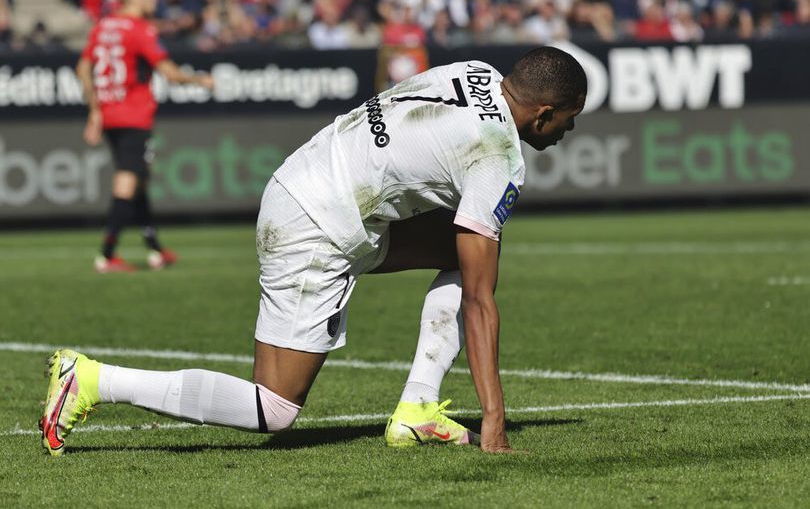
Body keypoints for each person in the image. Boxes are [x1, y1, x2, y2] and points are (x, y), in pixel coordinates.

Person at [41, 47, 587, 455]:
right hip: (318, 225)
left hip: (308, 184)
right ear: (542, 115)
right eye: (568, 119)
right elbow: (478, 301)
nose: (567, 132)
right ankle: (91, 380)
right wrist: (494, 417)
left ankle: (418, 406)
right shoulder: (498, 155)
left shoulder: (474, 72)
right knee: (273, 408)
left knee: (459, 247)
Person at [76, 0, 213, 273]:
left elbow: (83, 67)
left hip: (110, 114)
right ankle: (107, 254)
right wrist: (199, 79)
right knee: (128, 178)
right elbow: (170, 73)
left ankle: (154, 249)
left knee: (138, 178)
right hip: (133, 116)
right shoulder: (140, 29)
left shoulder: (103, 26)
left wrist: (95, 109)